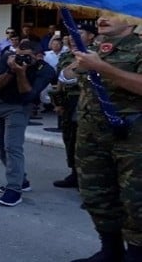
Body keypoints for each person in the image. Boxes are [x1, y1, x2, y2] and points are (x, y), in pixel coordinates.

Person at [65, 16, 142, 262]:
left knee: (135, 201)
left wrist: (102, 68)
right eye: (100, 13)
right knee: (97, 195)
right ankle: (110, 250)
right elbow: (66, 76)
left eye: (111, 13)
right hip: (91, 135)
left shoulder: (139, 49)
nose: (102, 18)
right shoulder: (94, 49)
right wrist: (79, 65)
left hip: (132, 139)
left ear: (132, 21)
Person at [0, 40, 55, 207]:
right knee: (0, 146)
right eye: (19, 56)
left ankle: (14, 189)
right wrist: (11, 70)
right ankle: (22, 180)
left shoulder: (46, 70)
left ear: (39, 56)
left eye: (27, 57)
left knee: (12, 147)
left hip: (18, 108)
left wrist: (21, 73)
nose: (22, 60)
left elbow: (27, 94)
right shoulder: (8, 59)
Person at [51, 23, 97, 189]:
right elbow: (60, 81)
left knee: (84, 142)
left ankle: (88, 180)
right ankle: (74, 173)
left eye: (78, 33)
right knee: (69, 138)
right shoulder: (66, 56)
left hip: (87, 102)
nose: (72, 36)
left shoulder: (95, 53)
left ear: (91, 36)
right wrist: (58, 103)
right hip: (69, 103)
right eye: (71, 33)